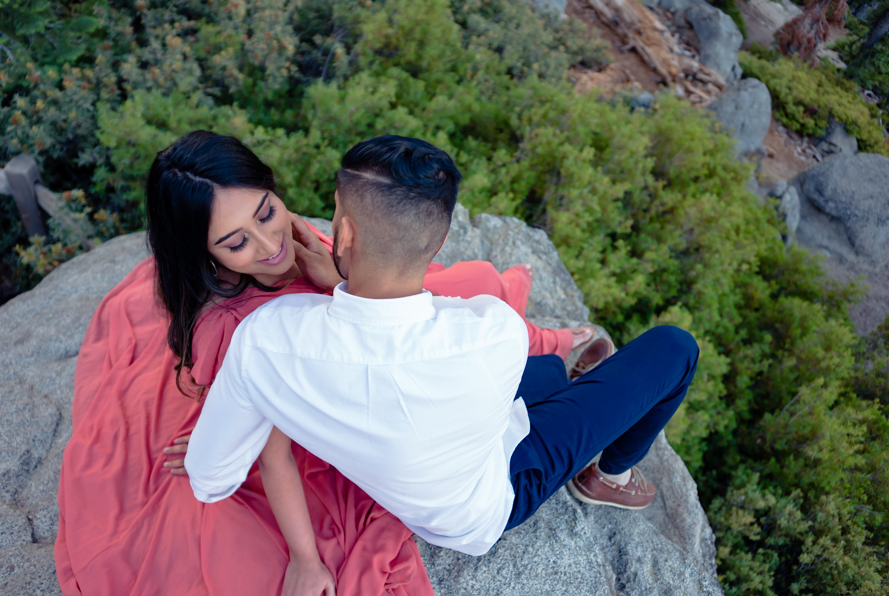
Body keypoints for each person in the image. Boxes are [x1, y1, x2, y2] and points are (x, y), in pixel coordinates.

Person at [55, 130, 606, 596]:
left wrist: (335, 280)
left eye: (267, 211)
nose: (270, 244)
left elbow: (361, 297)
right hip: (314, 406)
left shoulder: (289, 237)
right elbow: (272, 458)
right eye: (235, 242)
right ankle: (553, 350)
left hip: (351, 331)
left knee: (479, 283)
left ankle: (551, 344)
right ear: (208, 254)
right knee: (464, 329)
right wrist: (305, 557)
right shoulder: (234, 329)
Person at [183, 136, 699, 561]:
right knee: (675, 347)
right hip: (490, 497)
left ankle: (574, 389)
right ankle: (609, 473)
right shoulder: (493, 331)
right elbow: (418, 321)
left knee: (547, 374)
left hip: (442, 467)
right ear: (442, 239)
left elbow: (208, 480)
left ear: (341, 234)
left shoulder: (263, 339)